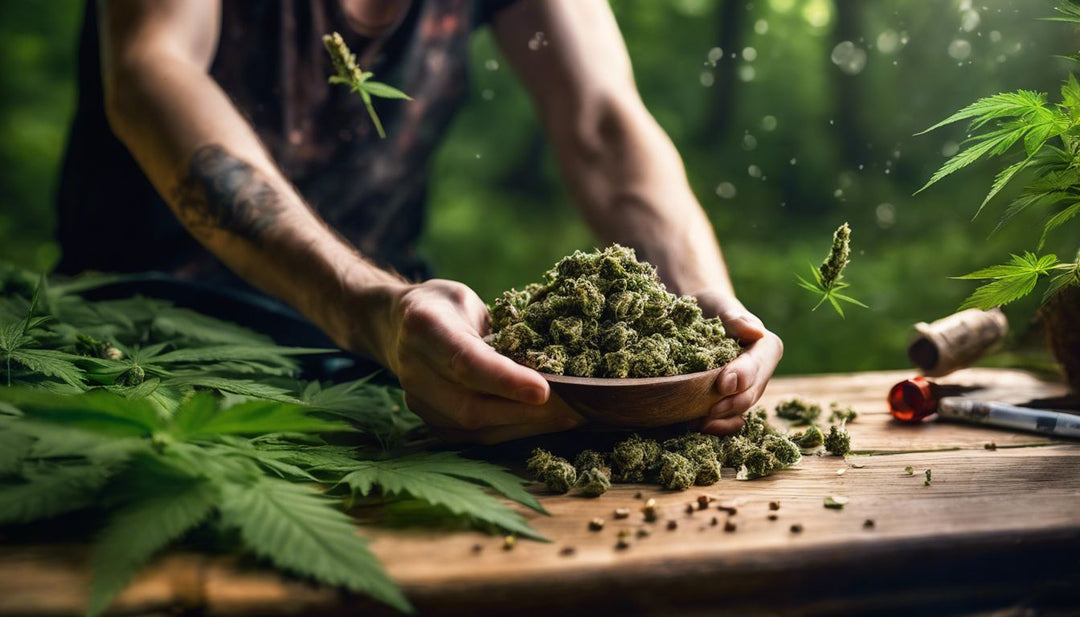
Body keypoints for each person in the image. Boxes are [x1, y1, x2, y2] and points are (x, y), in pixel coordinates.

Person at [56, 0, 783, 444]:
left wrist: (698, 318)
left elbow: (602, 122)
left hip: (375, 369)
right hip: (137, 344)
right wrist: (370, 307)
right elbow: (153, 68)